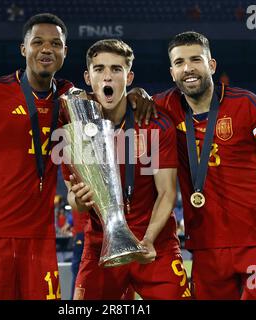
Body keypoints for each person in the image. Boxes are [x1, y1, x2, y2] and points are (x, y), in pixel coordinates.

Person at [0, 13, 153, 300]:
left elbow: (112, 98)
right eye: (38, 42)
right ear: (24, 48)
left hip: (41, 238)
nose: (47, 49)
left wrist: (138, 94)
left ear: (64, 52)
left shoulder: (73, 98)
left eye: (56, 43)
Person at [153, 31, 256, 299]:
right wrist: (137, 94)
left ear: (211, 65)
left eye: (196, 59)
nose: (188, 68)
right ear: (172, 72)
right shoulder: (164, 107)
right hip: (206, 245)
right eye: (180, 62)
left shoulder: (245, 103)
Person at [65, 39, 190, 300]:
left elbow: (167, 192)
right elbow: (74, 201)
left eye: (116, 69)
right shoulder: (75, 131)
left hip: (155, 244)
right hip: (101, 245)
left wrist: (148, 240)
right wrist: (78, 200)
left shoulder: (155, 125)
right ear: (88, 77)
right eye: (99, 69)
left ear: (129, 76)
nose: (107, 76)